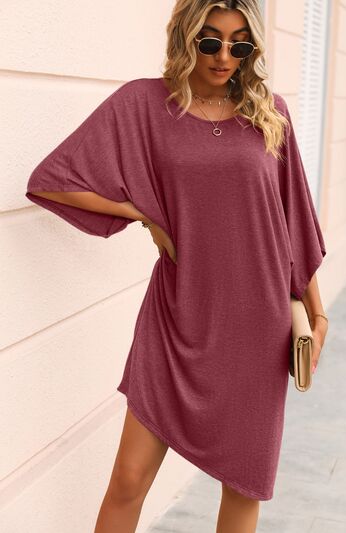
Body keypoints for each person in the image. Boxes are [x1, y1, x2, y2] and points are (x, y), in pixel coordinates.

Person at [25, 0, 329, 531]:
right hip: (177, 316)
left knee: (242, 487)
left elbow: (293, 222)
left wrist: (318, 315)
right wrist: (143, 212)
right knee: (128, 480)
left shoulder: (269, 112)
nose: (224, 56)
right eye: (210, 41)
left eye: (240, 44)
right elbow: (53, 180)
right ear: (185, 38)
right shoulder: (143, 104)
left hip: (257, 324)